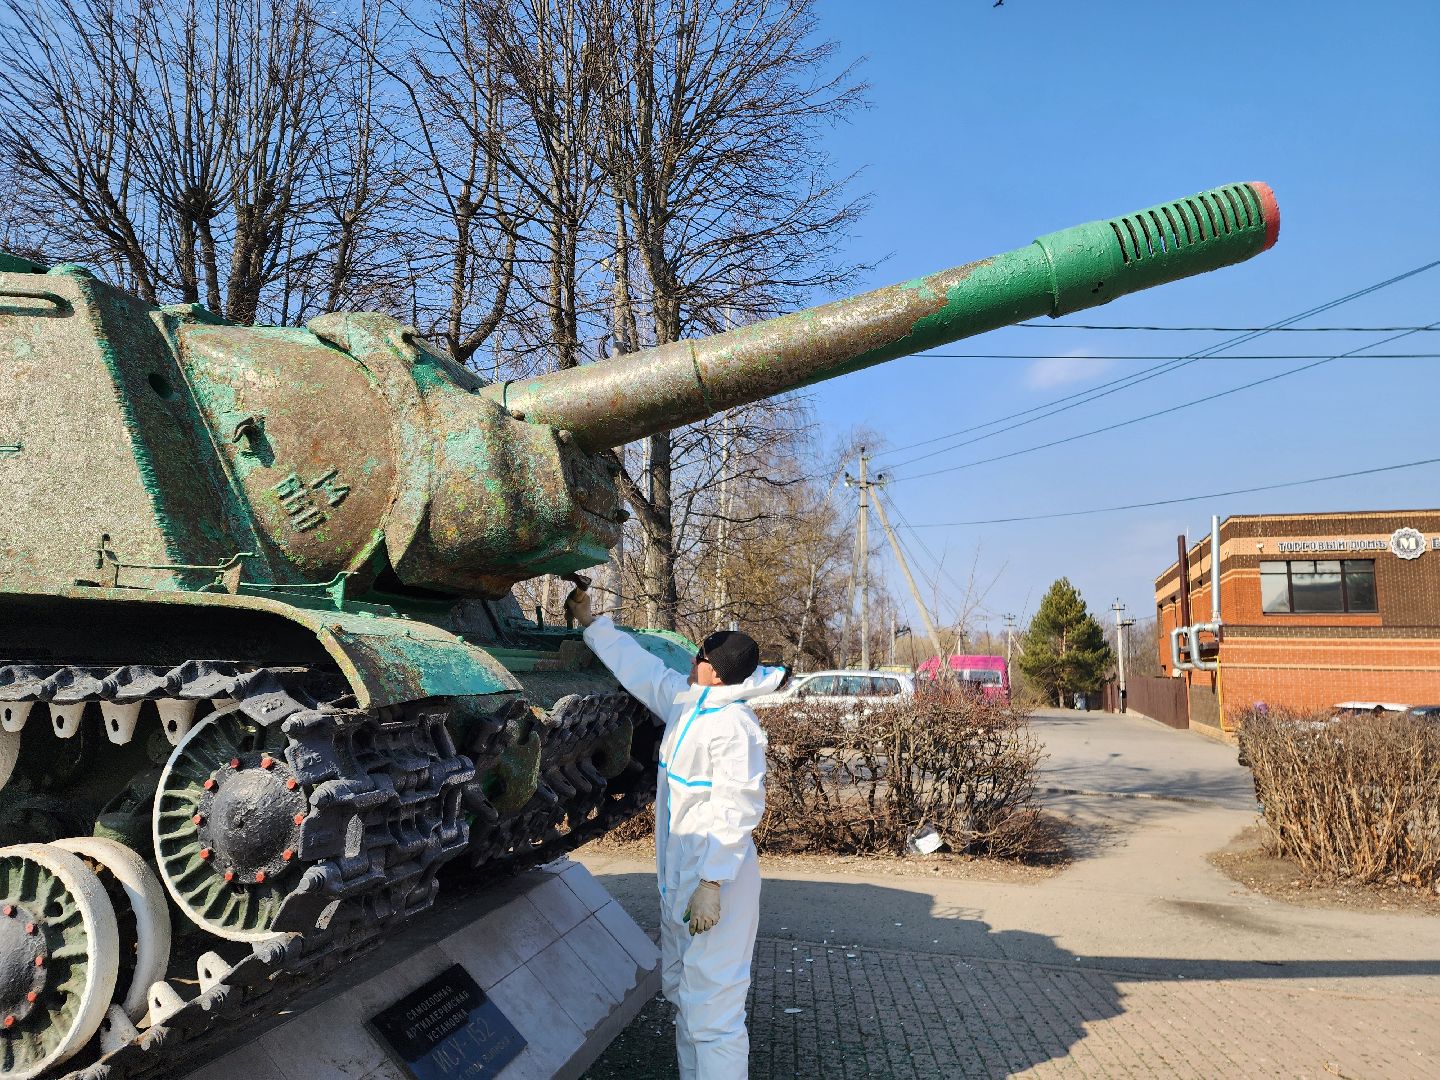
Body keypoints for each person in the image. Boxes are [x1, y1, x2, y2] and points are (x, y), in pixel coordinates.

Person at [566, 585, 782, 1080]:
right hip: (684, 879)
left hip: (715, 883)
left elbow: (739, 809)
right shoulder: (690, 704)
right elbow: (642, 670)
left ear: (715, 671)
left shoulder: (735, 726)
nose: (691, 660)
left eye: (699, 655)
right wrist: (592, 623)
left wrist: (711, 882)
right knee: (686, 999)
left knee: (714, 1016)